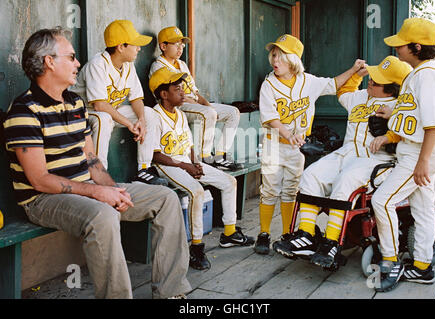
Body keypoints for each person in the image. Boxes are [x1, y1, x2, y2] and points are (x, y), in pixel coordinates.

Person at [3, 27, 191, 299]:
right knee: (103, 214)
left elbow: (92, 162)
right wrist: (97, 193)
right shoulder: (24, 110)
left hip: (86, 187)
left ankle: (171, 293)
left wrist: (114, 190)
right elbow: (39, 179)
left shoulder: (75, 103)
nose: (78, 63)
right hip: (42, 199)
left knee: (165, 198)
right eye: (71, 57)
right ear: (49, 62)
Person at [272, 56, 411, 267]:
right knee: (311, 174)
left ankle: (332, 242)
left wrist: (391, 130)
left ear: (391, 89)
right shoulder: (361, 96)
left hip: (374, 159)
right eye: (372, 76)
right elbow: (344, 93)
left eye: (377, 80)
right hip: (346, 153)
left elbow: (414, 133)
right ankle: (307, 235)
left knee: (345, 182)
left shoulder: (401, 106)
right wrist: (355, 76)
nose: (371, 80)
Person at [253, 34, 368, 255]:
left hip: (296, 147)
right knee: (269, 190)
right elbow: (271, 117)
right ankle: (264, 233)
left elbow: (334, 84)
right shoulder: (269, 84)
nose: (275, 61)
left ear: (293, 60)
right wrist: (288, 134)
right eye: (274, 55)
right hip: (273, 145)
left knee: (290, 191)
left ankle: (287, 233)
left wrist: (353, 71)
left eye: (281, 56)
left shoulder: (308, 81)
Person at [369, 17, 435, 292]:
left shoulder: (427, 75)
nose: (397, 50)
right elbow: (416, 114)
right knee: (423, 210)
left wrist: (423, 162)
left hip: (419, 154)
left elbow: (433, 125)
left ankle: (391, 262)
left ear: (416, 46)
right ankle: (422, 267)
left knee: (381, 200)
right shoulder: (420, 72)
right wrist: (392, 116)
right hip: (416, 151)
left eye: (401, 46)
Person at [148, 67, 255, 270]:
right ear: (163, 94)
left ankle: (230, 232)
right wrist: (186, 166)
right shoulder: (155, 116)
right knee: (196, 192)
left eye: (182, 88)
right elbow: (155, 155)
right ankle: (196, 248)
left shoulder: (179, 114)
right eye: (177, 89)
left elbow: (188, 145)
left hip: (185, 163)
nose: (182, 92)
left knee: (229, 181)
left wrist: (195, 163)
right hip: (167, 165)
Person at [71, 20, 166, 185]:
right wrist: (130, 124)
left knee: (150, 113)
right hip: (82, 110)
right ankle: (100, 176)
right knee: (104, 119)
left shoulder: (128, 65)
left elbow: (136, 98)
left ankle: (143, 169)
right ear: (121, 46)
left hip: (109, 109)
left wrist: (141, 121)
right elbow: (99, 105)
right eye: (135, 44)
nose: (139, 48)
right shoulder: (98, 64)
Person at [149, 26, 243, 170]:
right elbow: (177, 97)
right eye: (175, 44)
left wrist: (206, 104)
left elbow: (194, 91)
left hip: (193, 103)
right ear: (163, 46)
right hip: (177, 107)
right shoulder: (158, 66)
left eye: (182, 44)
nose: (180, 47)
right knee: (208, 113)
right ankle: (205, 158)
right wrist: (205, 108)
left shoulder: (182, 64)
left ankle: (220, 154)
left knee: (233, 112)